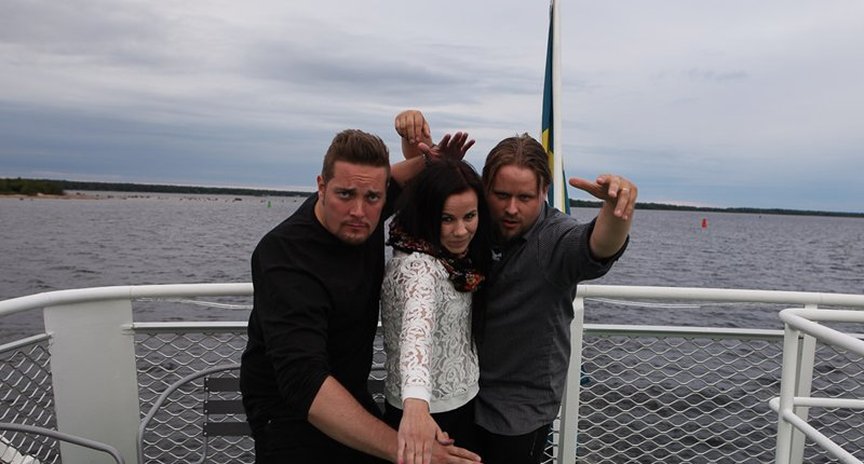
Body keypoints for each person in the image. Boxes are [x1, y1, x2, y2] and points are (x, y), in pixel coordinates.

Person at [397, 110, 636, 464]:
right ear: (485, 190)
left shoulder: (554, 239)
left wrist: (617, 213)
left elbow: (596, 247)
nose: (511, 208)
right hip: (461, 396)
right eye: (501, 195)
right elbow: (424, 210)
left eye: (525, 198)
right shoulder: (472, 224)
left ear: (544, 191)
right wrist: (417, 151)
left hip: (518, 413)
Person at [240, 128, 482, 464]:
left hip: (353, 396)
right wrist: (412, 450)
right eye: (344, 194)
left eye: (372, 198)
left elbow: (394, 179)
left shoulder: (363, 213)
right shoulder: (284, 257)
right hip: (290, 418)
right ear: (321, 186)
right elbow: (304, 381)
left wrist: (433, 162)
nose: (358, 210)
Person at [380, 158, 491, 464]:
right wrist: (416, 404)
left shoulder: (451, 259)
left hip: (461, 401)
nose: (461, 230)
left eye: (470, 216)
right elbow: (416, 331)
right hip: (431, 415)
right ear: (427, 214)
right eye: (446, 219)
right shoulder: (420, 268)